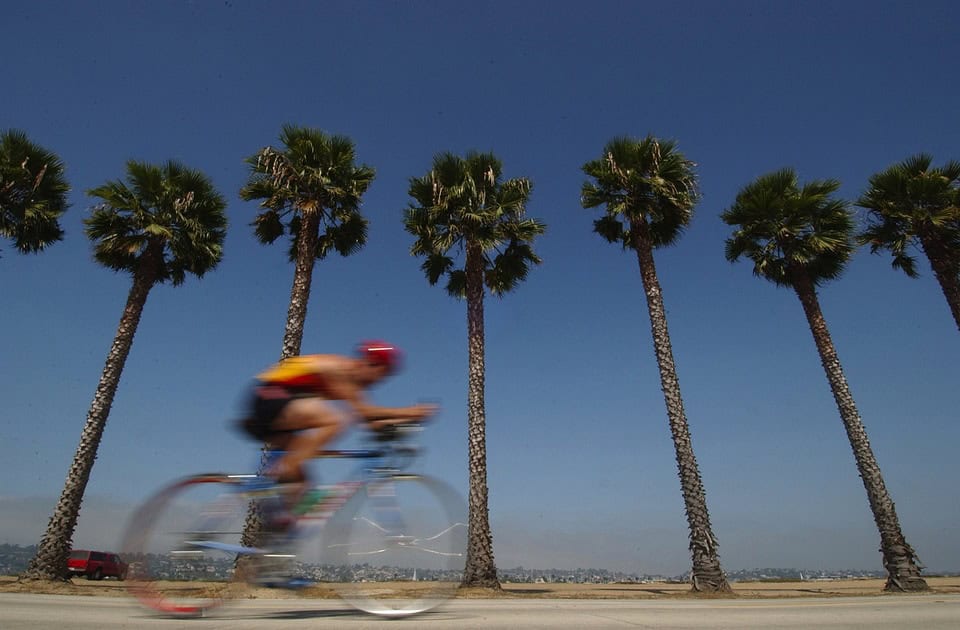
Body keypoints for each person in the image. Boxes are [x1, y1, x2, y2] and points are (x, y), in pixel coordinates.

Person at [241, 340, 436, 524]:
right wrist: (410, 412)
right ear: (373, 364)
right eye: (382, 375)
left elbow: (369, 421)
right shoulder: (340, 369)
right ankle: (287, 468)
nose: (379, 382)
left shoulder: (351, 383)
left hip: (276, 404)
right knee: (335, 421)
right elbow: (365, 413)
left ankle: (275, 537)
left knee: (302, 487)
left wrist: (402, 422)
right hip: (271, 396)